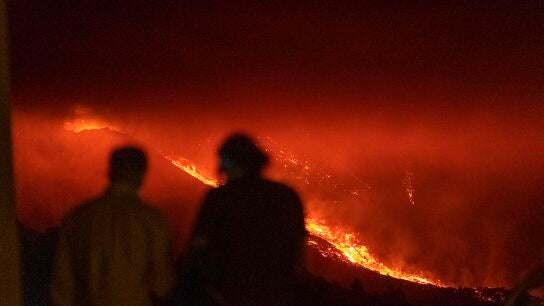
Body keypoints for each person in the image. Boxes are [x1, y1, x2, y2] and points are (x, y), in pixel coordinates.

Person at [183, 134, 306, 306]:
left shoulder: (219, 198)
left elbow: (197, 248)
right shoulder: (287, 197)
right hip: (278, 296)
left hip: (232, 296)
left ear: (228, 163)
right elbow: (299, 256)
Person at [51, 147, 176, 306]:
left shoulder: (77, 219)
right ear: (142, 174)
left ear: (110, 171)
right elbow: (161, 284)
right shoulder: (152, 221)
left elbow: (62, 284)